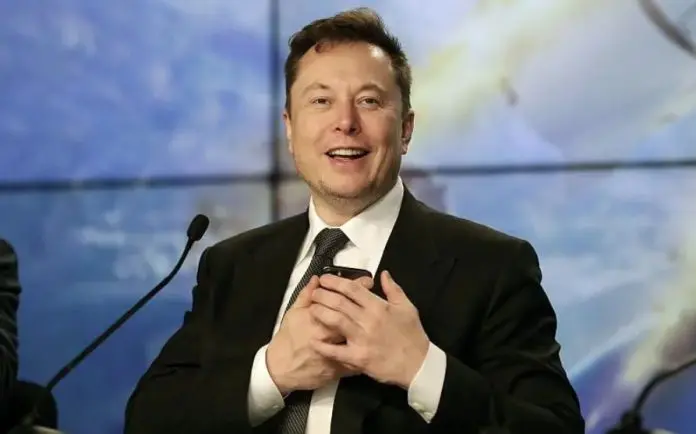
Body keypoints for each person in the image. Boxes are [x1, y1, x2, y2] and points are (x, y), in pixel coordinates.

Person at [125, 7, 584, 434]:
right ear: (290, 128)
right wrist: (271, 373)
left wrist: (422, 368)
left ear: (405, 129)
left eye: (368, 101)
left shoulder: (492, 267)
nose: (344, 122)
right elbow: (148, 420)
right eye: (320, 101)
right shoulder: (233, 266)